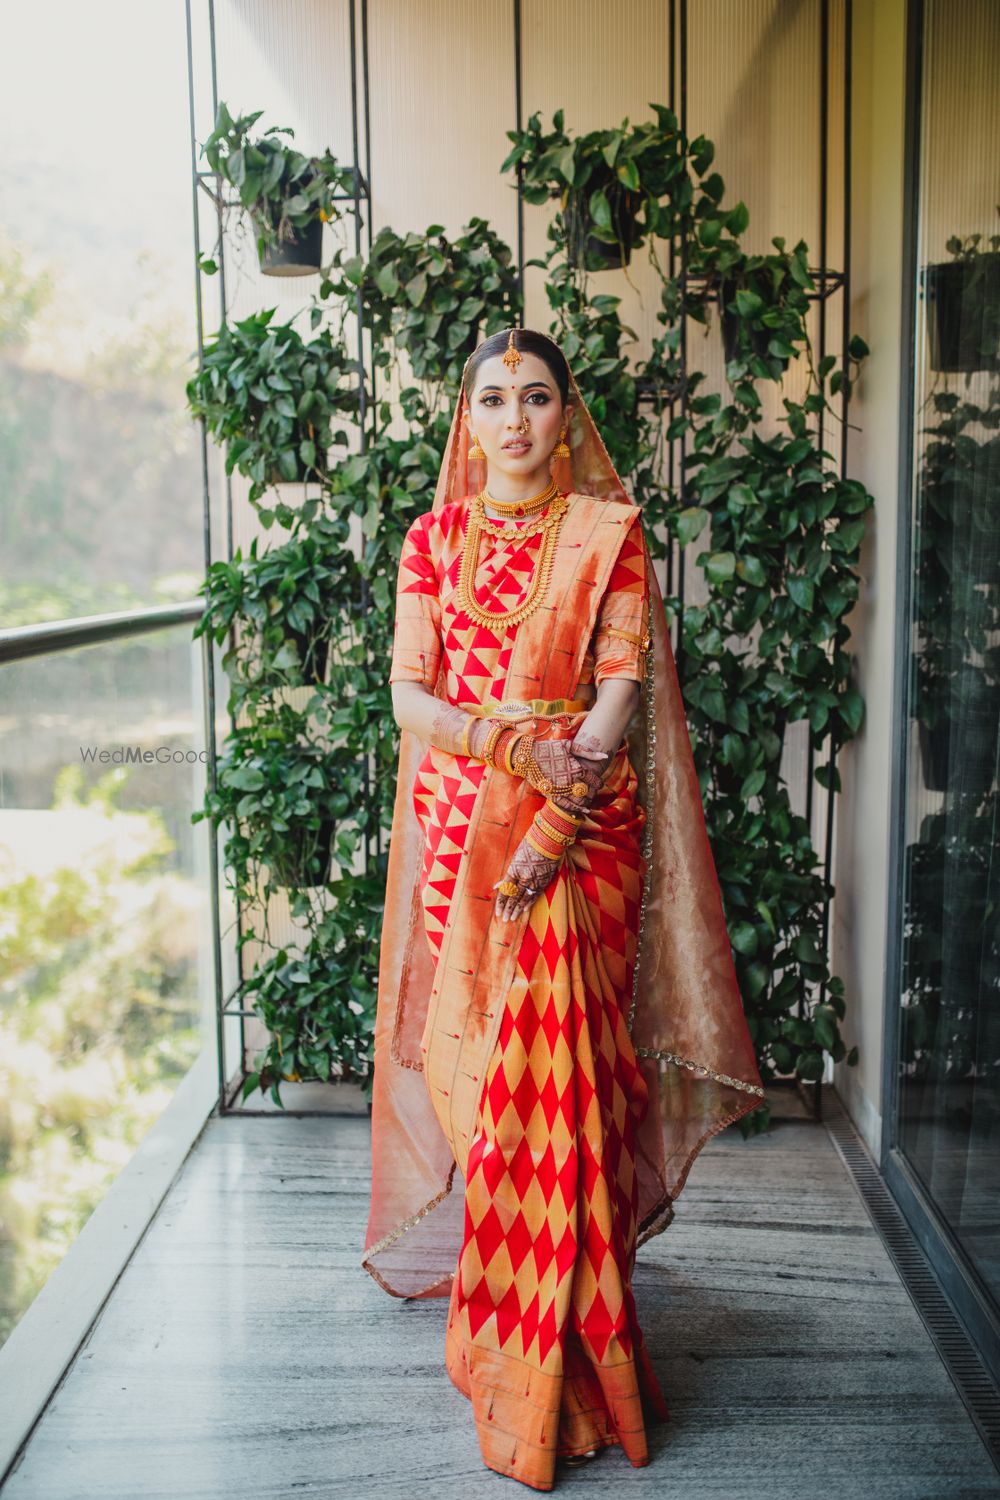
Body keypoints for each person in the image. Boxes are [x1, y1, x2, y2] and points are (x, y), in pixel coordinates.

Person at [363, 326, 764, 1491]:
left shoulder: (608, 536)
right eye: (492, 398)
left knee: (570, 1100)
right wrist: (503, 752)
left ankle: (572, 1379)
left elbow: (619, 691)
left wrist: (553, 813)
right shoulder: (431, 540)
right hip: (464, 836)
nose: (515, 420)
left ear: (565, 415)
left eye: (536, 397)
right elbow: (409, 694)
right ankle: (505, 1347)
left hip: (579, 840)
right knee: (491, 1098)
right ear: (467, 420)